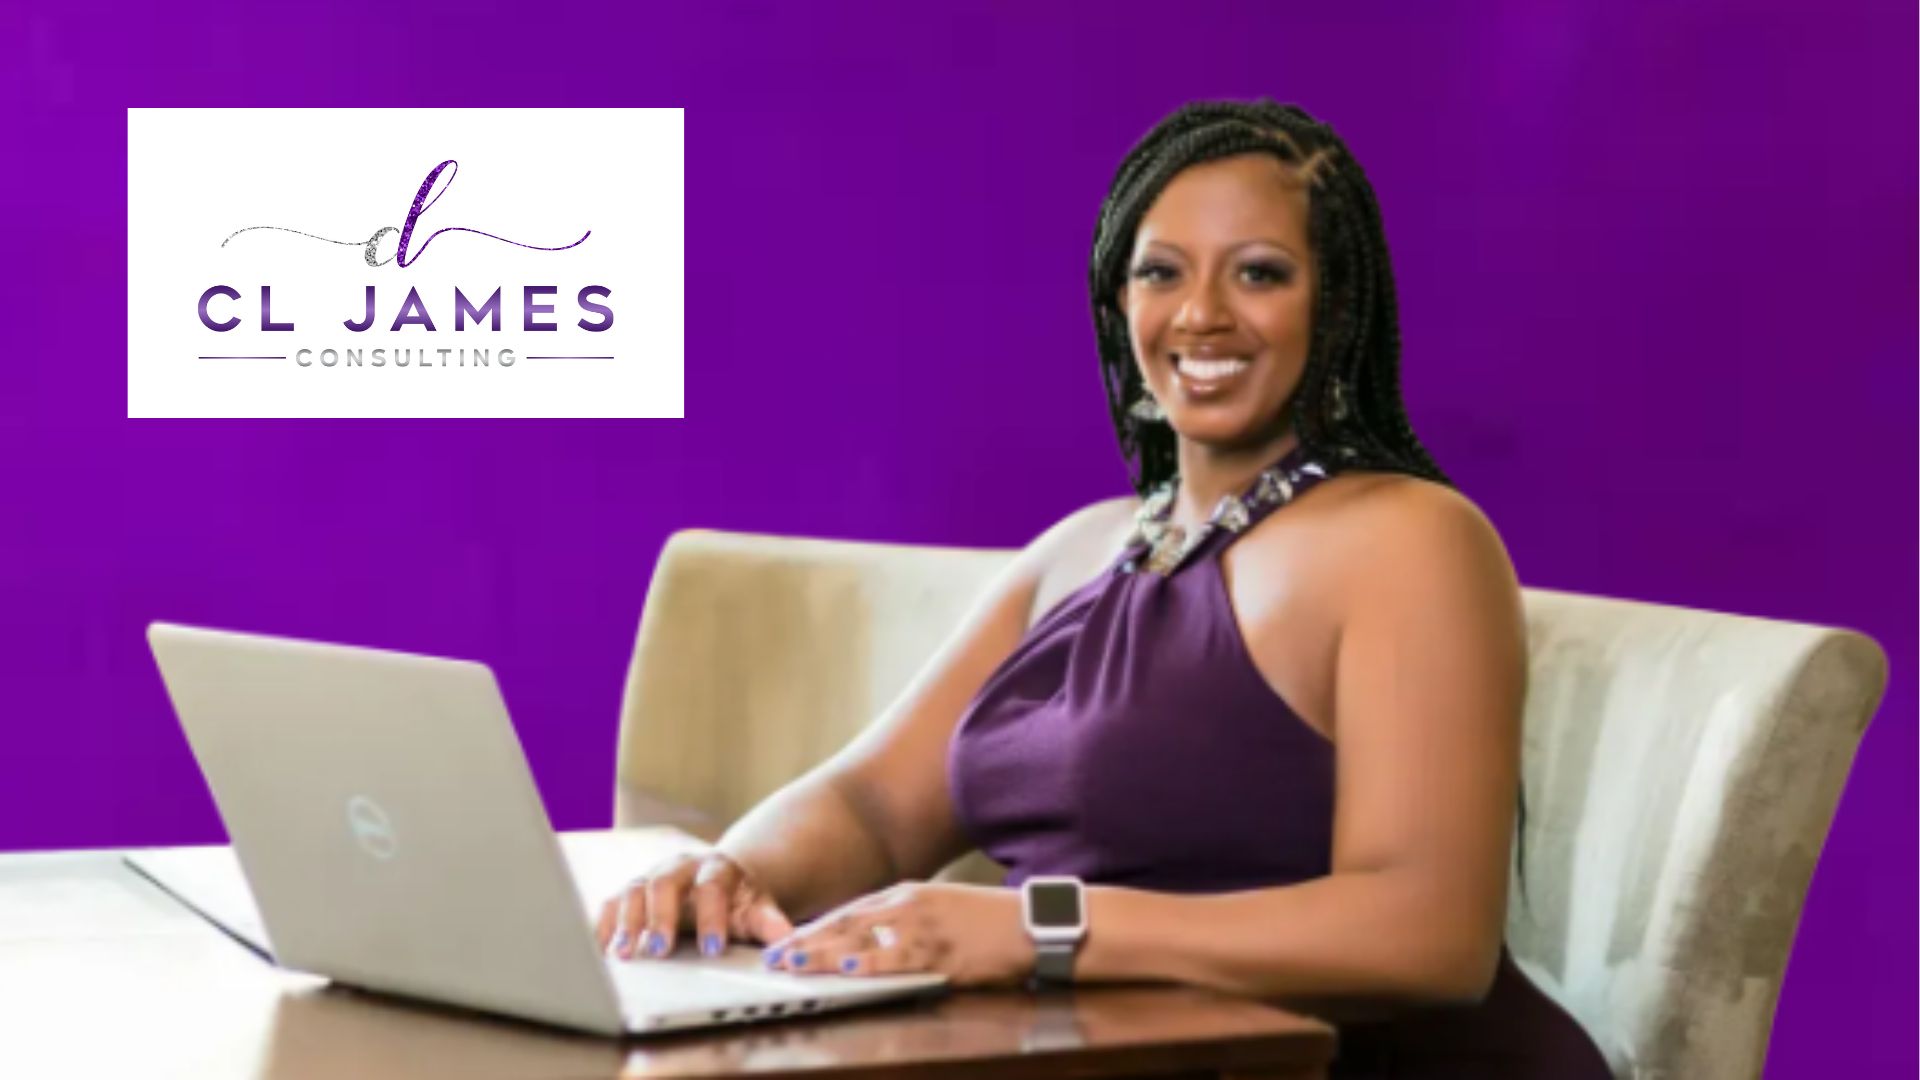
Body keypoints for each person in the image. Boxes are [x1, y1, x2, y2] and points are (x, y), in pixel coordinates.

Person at [595, 99, 1614, 1077]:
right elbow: (872, 806)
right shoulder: (1085, 548)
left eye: (1259, 274)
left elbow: (1428, 935)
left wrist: (1036, 928)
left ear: (1337, 306)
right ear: (1119, 304)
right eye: (1161, 273)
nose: (1203, 315)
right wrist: (731, 872)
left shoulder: (1410, 539)